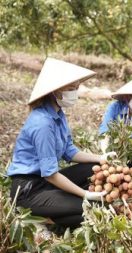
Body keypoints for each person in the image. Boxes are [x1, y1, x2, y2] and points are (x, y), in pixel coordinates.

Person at [7, 58, 115, 233]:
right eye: (70, 89)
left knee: (94, 167)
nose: (75, 93)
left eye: (76, 88)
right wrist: (86, 194)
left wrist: (101, 158)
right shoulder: (42, 123)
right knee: (94, 208)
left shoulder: (58, 114)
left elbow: (69, 151)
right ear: (54, 92)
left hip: (45, 183)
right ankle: (34, 219)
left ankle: (50, 218)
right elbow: (50, 174)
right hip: (29, 191)